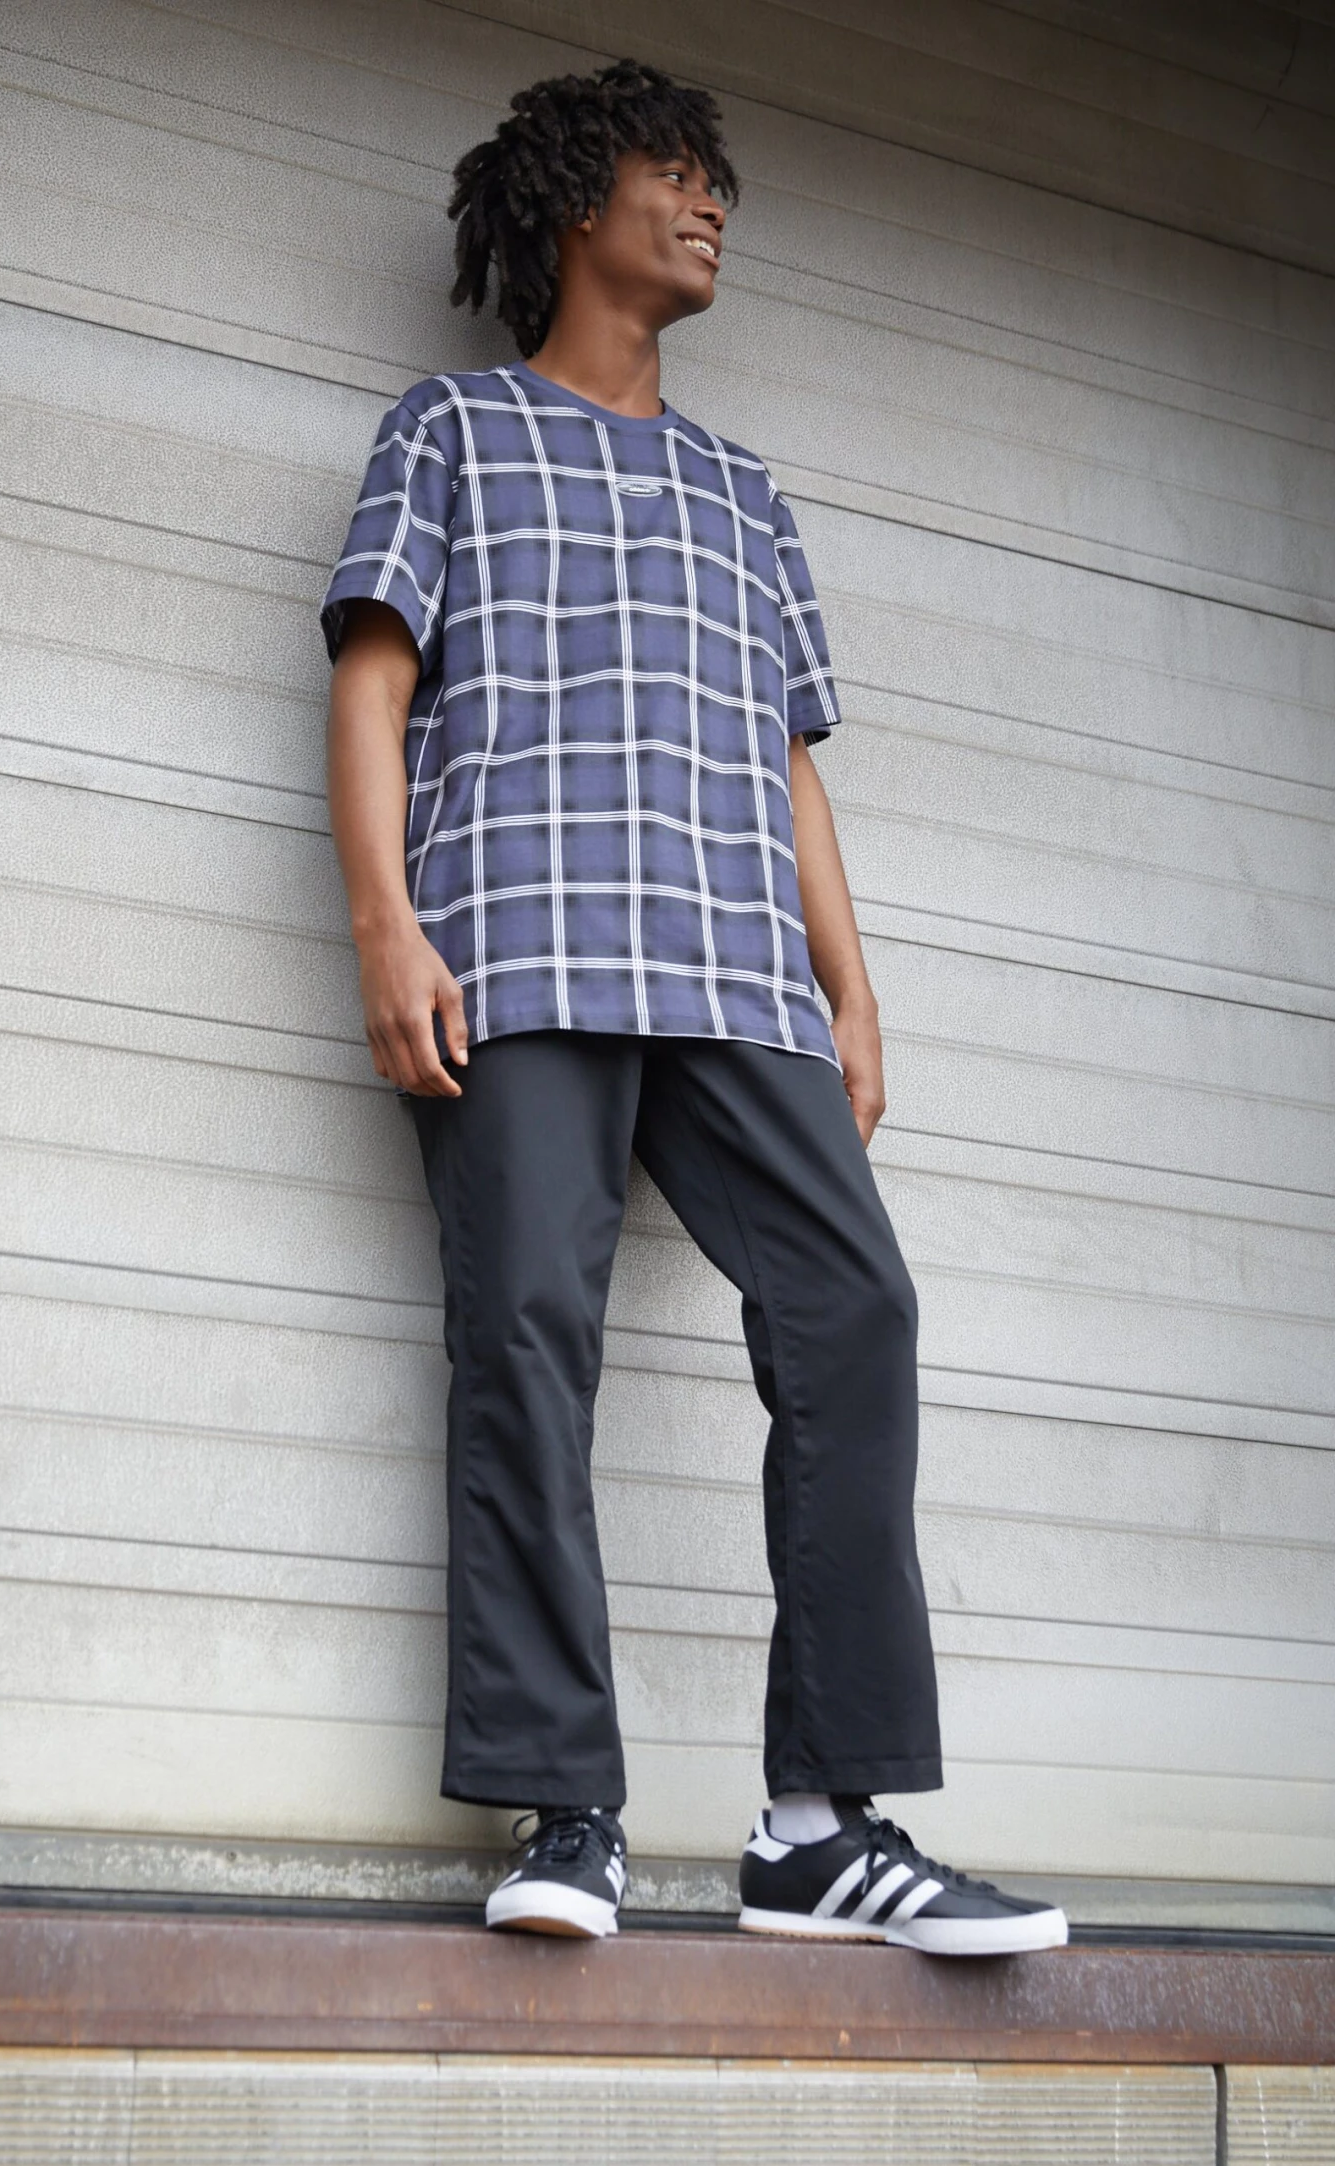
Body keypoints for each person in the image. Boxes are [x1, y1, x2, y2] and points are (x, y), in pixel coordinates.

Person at [322, 58, 1066, 1958]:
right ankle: (565, 1802)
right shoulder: (453, 430)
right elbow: (375, 683)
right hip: (520, 943)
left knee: (854, 1305)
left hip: (735, 973)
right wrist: (385, 925)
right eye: (675, 170)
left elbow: (788, 759)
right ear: (578, 201)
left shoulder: (745, 493)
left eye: (713, 178)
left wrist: (853, 984)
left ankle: (822, 1824)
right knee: (528, 1335)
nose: (711, 201)